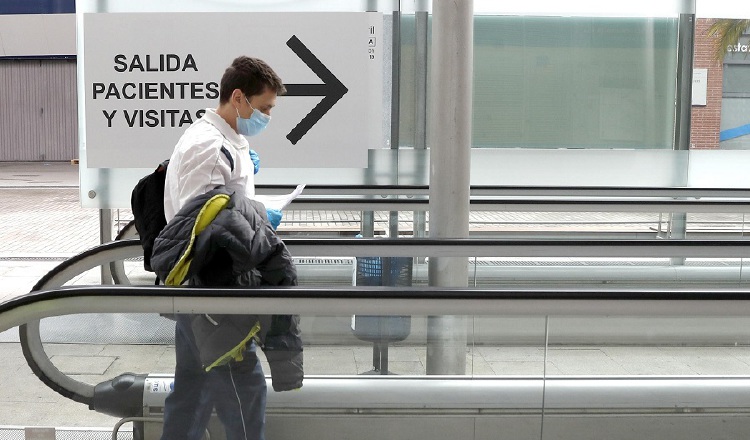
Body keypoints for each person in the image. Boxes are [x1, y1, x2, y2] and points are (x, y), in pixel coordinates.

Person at [157, 56, 299, 440]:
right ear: (239, 98)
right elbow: (200, 224)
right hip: (213, 287)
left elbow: (220, 203)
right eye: (264, 107)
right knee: (243, 392)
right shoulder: (208, 146)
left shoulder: (225, 140)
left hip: (200, 291)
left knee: (192, 393)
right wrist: (260, 218)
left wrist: (244, 176)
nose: (267, 116)